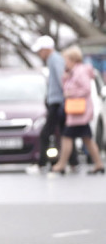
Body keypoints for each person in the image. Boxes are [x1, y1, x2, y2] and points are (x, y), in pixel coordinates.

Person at [26, 35, 78, 174]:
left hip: (57, 102)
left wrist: (64, 96)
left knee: (46, 133)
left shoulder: (55, 60)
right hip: (57, 101)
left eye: (41, 50)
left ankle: (42, 163)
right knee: (63, 133)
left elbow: (62, 79)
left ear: (47, 49)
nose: (39, 53)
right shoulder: (53, 60)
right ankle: (73, 162)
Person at [49, 45, 105, 175]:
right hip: (78, 113)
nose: (65, 63)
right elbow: (66, 85)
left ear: (73, 59)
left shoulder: (80, 71)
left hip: (79, 113)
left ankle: (61, 164)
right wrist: (66, 76)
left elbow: (86, 89)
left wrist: (70, 93)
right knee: (87, 139)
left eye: (66, 60)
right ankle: (98, 164)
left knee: (66, 137)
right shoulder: (74, 72)